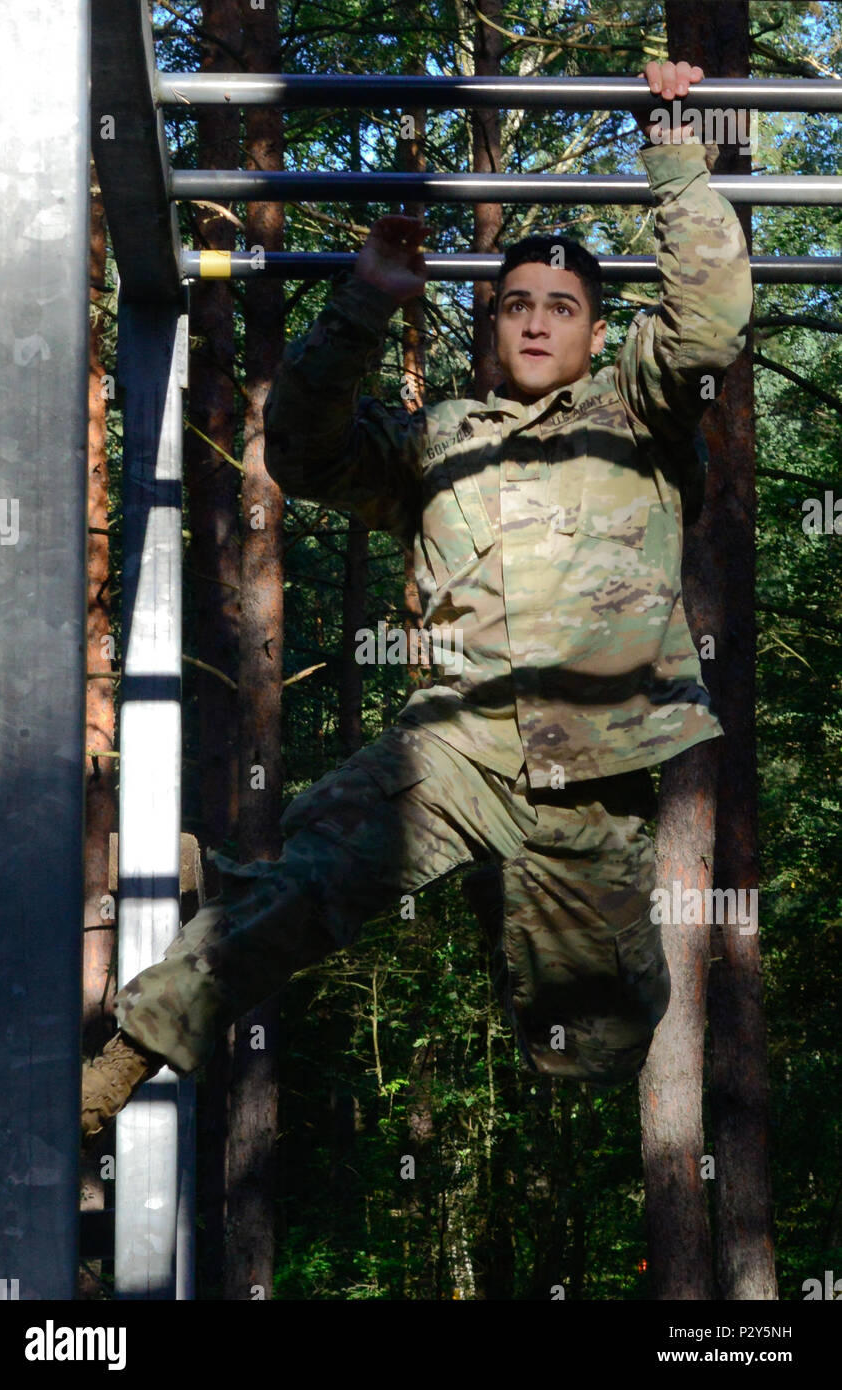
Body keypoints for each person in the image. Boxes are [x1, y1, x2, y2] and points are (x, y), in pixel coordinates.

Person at [82, 59, 753, 1142]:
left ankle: (304, 885)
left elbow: (711, 322)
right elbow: (300, 450)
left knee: (589, 1043)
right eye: (517, 306)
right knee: (316, 884)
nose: (536, 324)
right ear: (492, 325)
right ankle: (124, 1057)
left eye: (563, 309)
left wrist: (675, 160)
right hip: (457, 742)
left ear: (595, 333)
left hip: (599, 770)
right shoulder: (438, 441)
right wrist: (360, 306)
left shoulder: (640, 418)